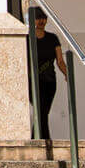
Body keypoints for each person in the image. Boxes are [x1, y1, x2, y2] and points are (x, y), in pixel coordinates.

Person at [30, 9, 67, 141]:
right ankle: (42, 140)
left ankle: (38, 139)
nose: (41, 21)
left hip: (49, 82)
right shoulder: (27, 38)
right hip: (33, 82)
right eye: (38, 18)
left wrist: (67, 74)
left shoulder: (53, 38)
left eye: (44, 18)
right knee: (41, 112)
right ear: (32, 20)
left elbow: (60, 61)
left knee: (43, 112)